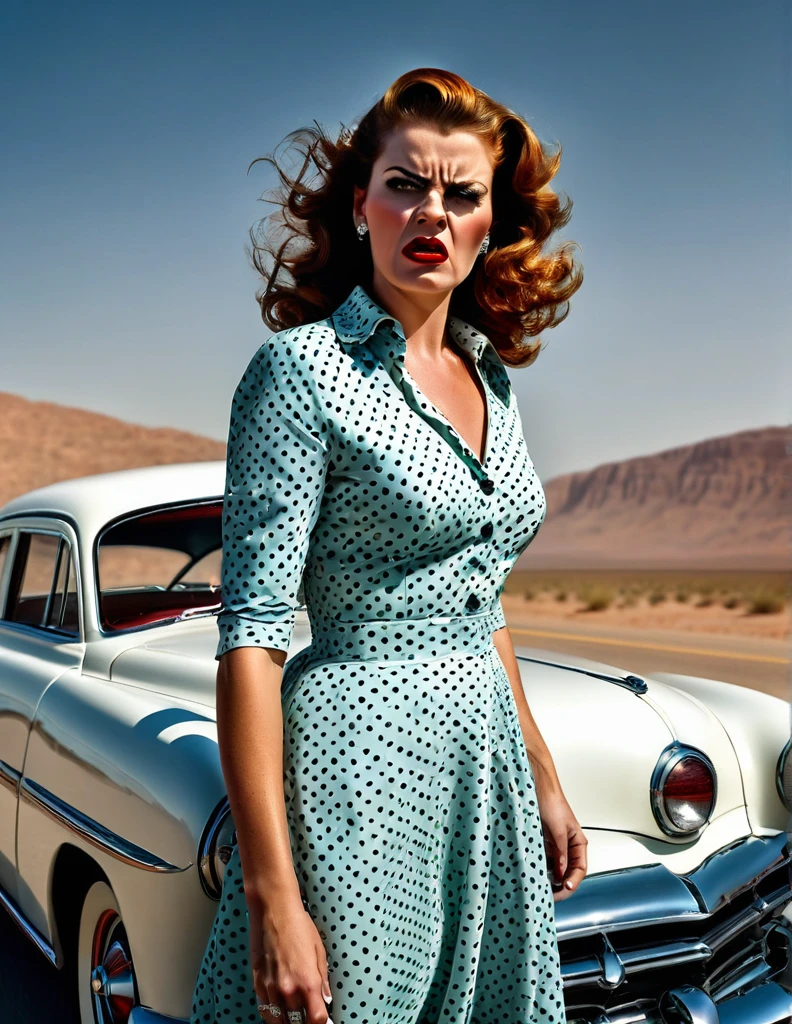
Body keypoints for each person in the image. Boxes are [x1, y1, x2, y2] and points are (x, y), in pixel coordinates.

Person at [190, 66, 586, 1024]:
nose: (432, 214)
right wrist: (271, 897)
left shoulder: (489, 377)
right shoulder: (301, 373)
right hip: (357, 765)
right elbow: (250, 639)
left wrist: (540, 767)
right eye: (405, 183)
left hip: (482, 763)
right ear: (361, 201)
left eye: (462, 193)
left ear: (492, 220)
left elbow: (480, 598)